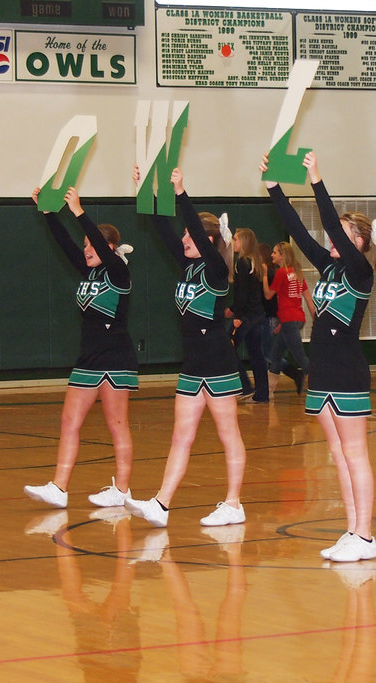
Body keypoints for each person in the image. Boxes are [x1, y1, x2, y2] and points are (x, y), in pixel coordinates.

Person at [261, 151, 376, 563]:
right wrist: (274, 189)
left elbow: (327, 221)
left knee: (355, 453)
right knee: (337, 455)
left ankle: (366, 535)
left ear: (359, 243)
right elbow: (300, 233)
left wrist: (317, 179)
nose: (332, 238)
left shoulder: (359, 271)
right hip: (323, 371)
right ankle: (351, 530)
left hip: (348, 370)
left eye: (343, 234)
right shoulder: (329, 269)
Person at [125, 166, 248, 528]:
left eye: (190, 237)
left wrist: (181, 192)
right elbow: (164, 231)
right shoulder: (188, 267)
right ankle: (161, 504)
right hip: (192, 364)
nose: (183, 240)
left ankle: (234, 503)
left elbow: (192, 226)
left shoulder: (214, 270)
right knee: (181, 436)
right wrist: (145, 194)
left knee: (229, 435)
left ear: (208, 241)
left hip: (219, 362)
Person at [24, 186, 138, 509]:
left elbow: (97, 241)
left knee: (117, 425)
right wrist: (48, 212)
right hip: (88, 358)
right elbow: (65, 244)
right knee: (69, 421)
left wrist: (79, 211)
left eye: (92, 244)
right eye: (86, 245)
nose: (86, 249)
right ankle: (59, 487)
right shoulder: (89, 272)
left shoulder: (119, 272)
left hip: (115, 357)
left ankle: (123, 489)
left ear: (110, 248)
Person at [262, 241, 311, 397]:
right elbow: (308, 299)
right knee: (276, 355)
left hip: (290, 320)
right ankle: (268, 392)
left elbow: (268, 295)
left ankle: (321, 384)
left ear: (282, 256)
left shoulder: (282, 273)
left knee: (299, 356)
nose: (272, 255)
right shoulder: (296, 272)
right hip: (295, 319)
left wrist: (264, 276)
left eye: (275, 252)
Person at [227, 227, 270, 403]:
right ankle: (262, 394)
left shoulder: (243, 262)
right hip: (257, 315)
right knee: (256, 354)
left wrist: (237, 314)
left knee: (227, 348)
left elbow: (242, 293)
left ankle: (244, 387)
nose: (233, 242)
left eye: (235, 239)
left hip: (246, 316)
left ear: (243, 242)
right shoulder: (254, 262)